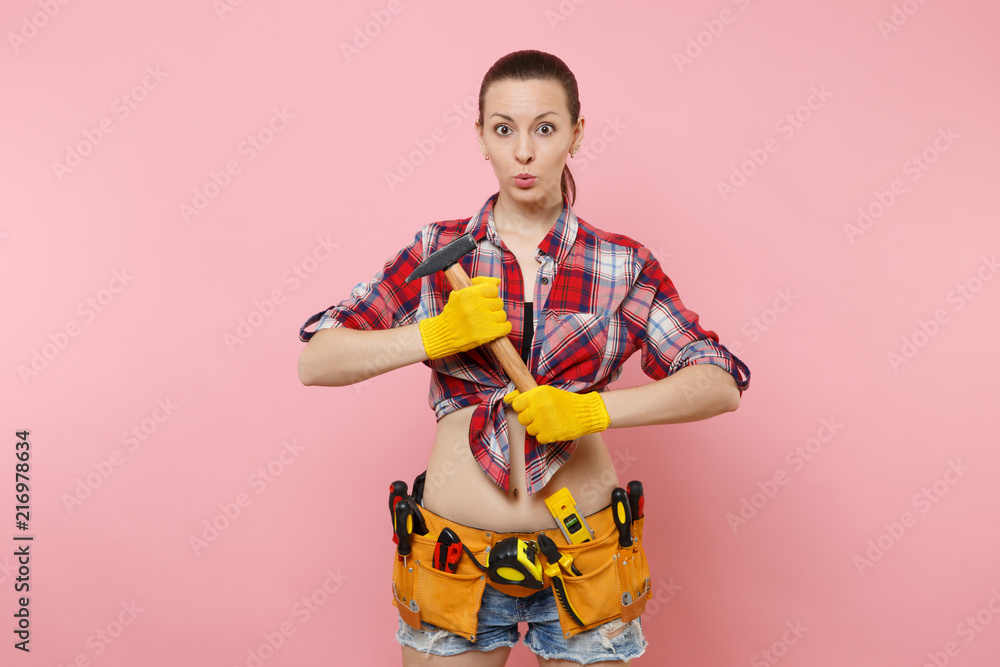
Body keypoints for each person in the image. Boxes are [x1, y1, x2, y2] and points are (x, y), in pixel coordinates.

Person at [298, 50, 750, 666]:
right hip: (453, 559)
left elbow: (718, 382)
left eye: (544, 127)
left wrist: (589, 414)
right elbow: (318, 360)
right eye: (503, 129)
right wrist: (433, 337)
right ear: (480, 136)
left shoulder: (621, 264)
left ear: (576, 133)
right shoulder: (440, 252)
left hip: (584, 557)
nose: (524, 152)